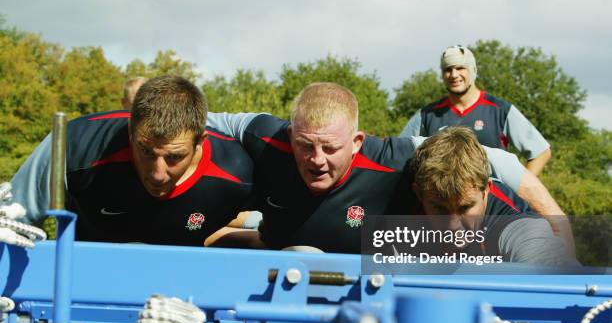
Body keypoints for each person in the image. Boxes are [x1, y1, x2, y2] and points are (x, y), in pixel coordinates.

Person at [207, 82, 562, 253]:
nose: (317, 159)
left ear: (357, 142)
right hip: (276, 247)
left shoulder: (395, 158)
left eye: (330, 148)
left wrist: (562, 233)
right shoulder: (264, 135)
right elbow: (192, 117)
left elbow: (500, 162)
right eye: (305, 146)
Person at [10, 75, 254, 246]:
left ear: (200, 142)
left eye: (174, 157)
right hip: (82, 286)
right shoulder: (73, 145)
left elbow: (280, 237)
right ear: (130, 130)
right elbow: (12, 222)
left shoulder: (238, 170)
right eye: (146, 151)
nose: (158, 173)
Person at [409, 127, 574, 265]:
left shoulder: (513, 223)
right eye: (439, 208)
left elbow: (541, 253)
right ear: (418, 194)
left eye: (465, 207)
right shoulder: (398, 203)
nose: (452, 226)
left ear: (486, 190)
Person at [400, 45, 551, 176]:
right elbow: (400, 152)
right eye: (448, 69)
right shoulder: (427, 114)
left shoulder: (500, 111)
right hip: (443, 205)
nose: (454, 75)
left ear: (473, 70)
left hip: (491, 205)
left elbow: (541, 152)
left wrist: (517, 193)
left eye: (460, 68)